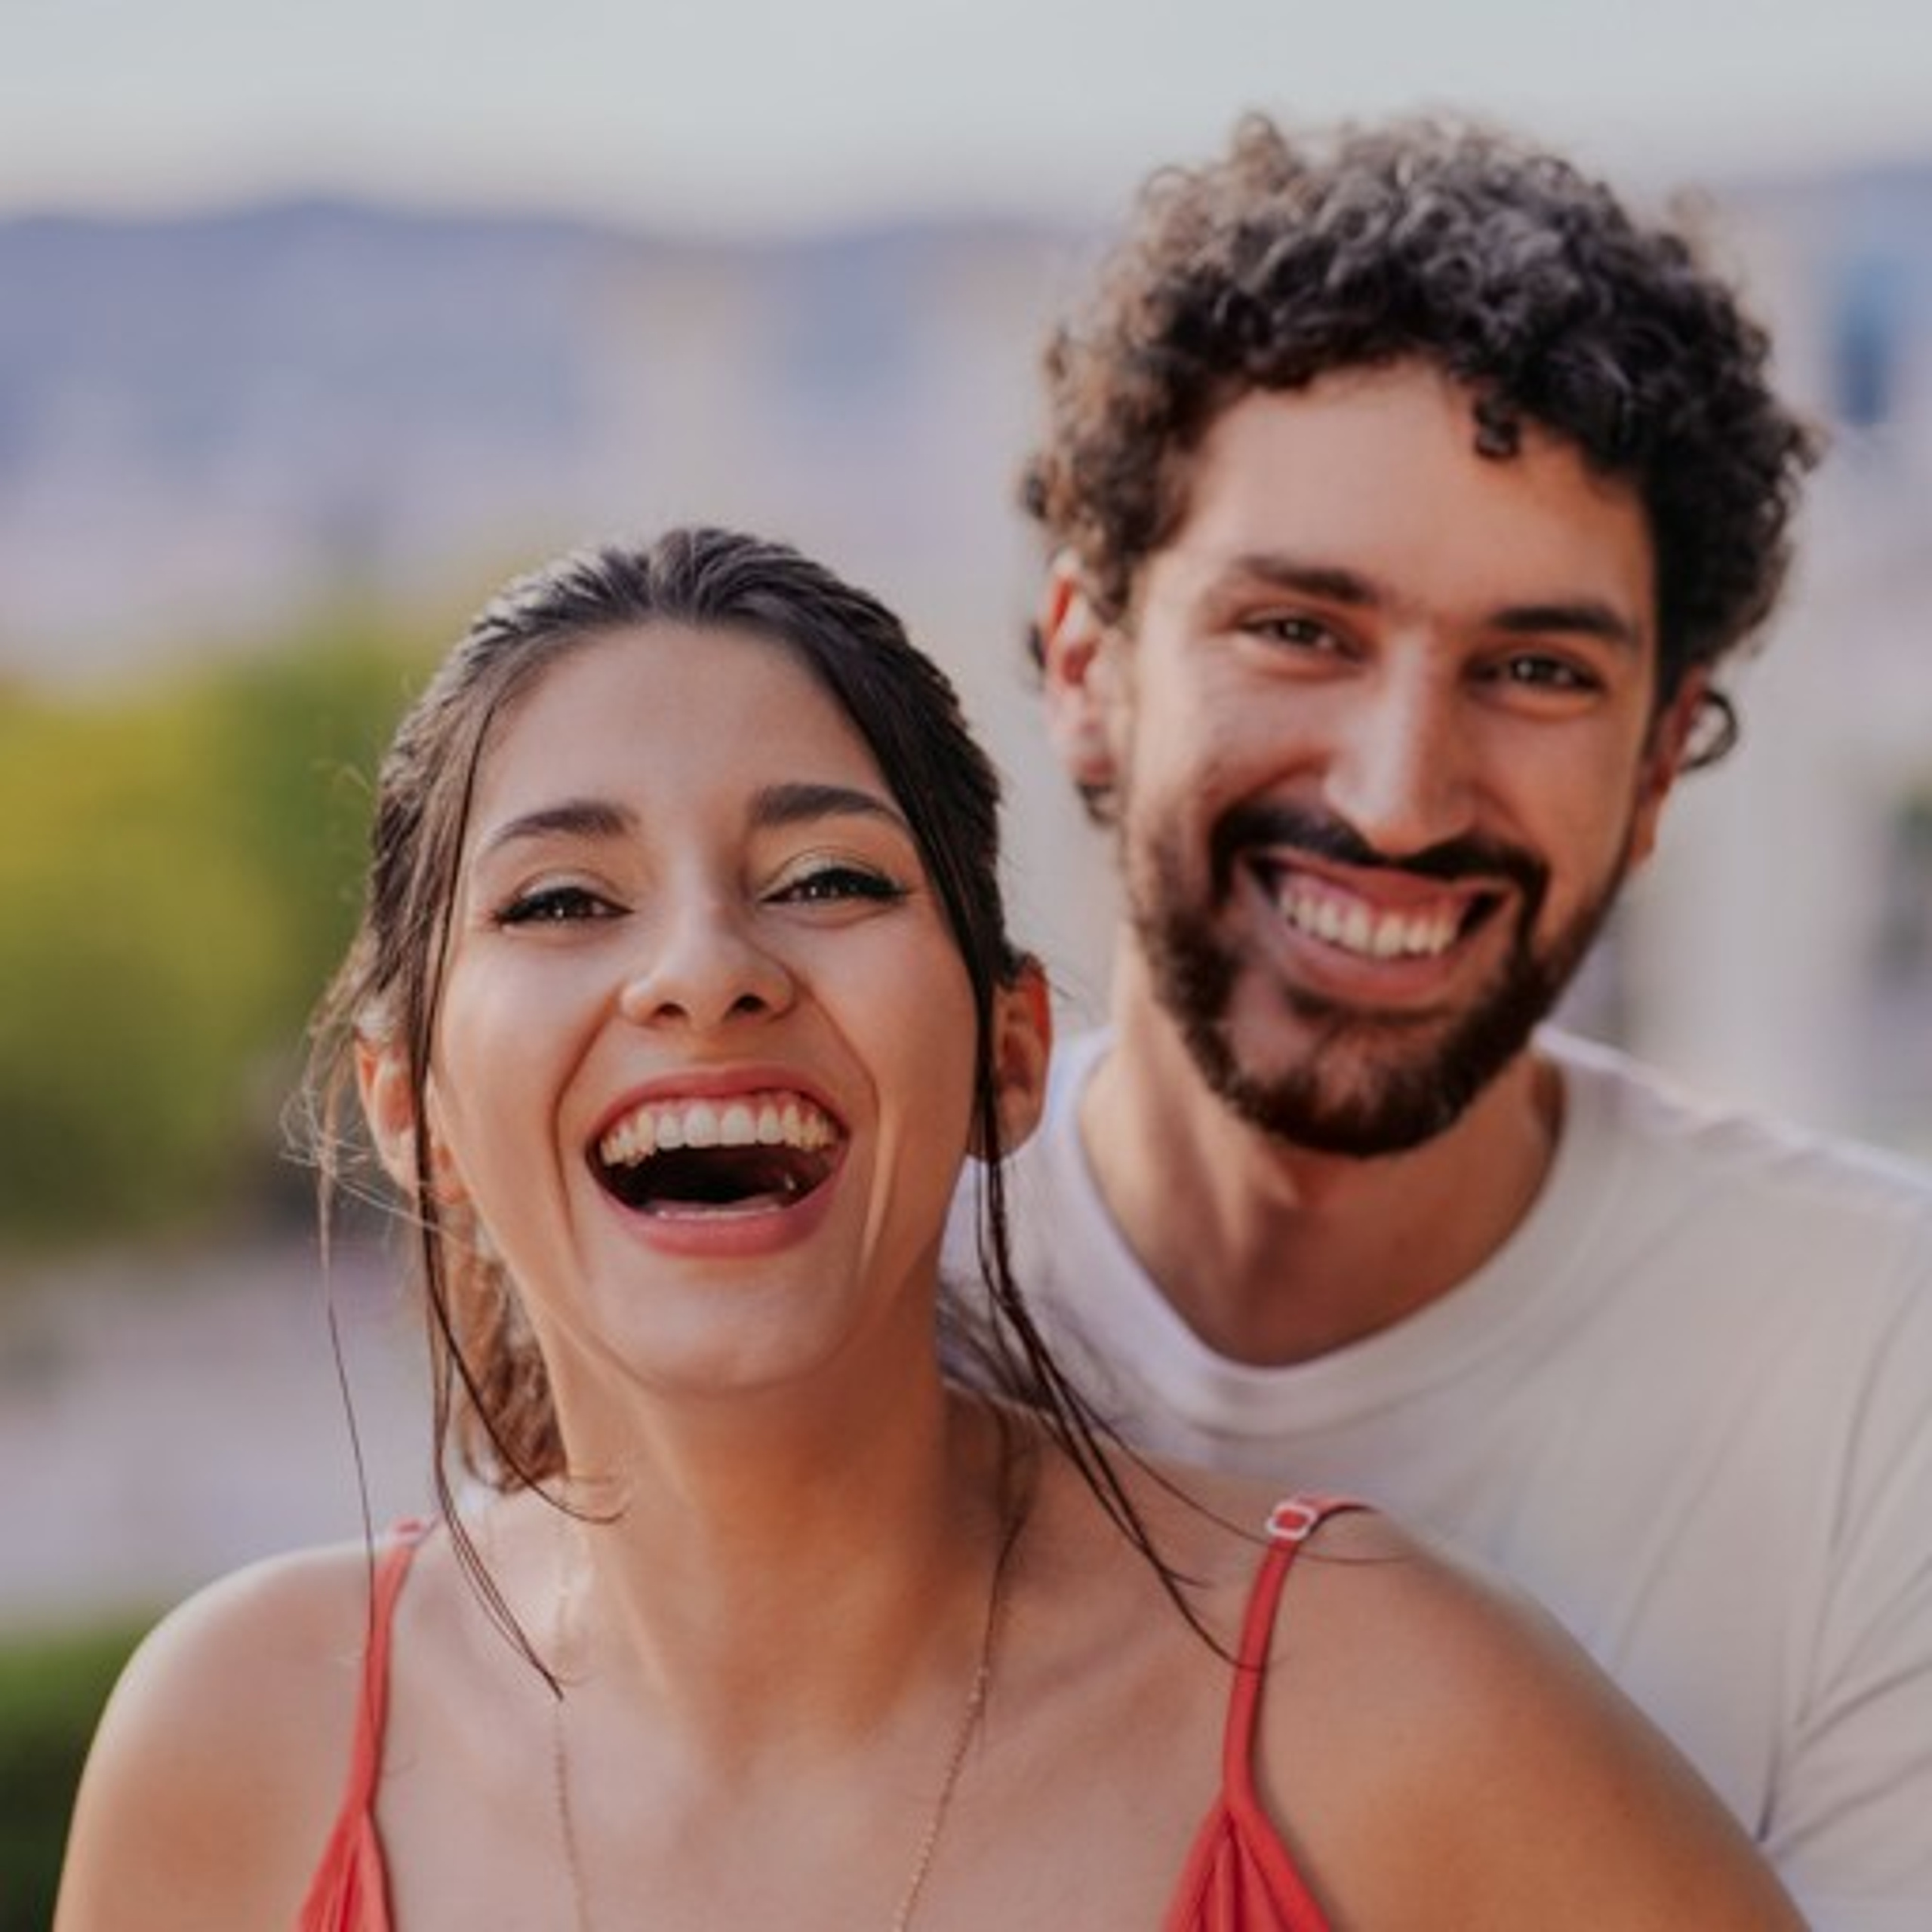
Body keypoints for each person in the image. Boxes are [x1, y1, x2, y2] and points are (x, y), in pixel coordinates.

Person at [56, 526, 1799, 1930]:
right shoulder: (240, 1745)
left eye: (825, 880)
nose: (701, 969)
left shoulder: (1381, 1711)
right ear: (407, 1103)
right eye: (563, 898)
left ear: (1009, 1051)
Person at [948, 112, 1932, 1927]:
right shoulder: (846, 1299)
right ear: (1088, 668)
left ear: (1654, 763)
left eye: (1534, 670)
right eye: (1299, 630)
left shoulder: (1884, 1372)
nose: (1399, 797)